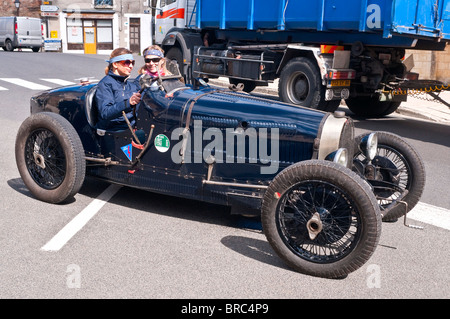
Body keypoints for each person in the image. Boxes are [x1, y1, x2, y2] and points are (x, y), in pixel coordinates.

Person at [95, 48, 141, 131]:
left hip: (132, 126)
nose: (131, 66)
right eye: (127, 62)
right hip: (114, 129)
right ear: (115, 64)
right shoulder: (105, 84)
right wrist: (128, 103)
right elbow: (105, 112)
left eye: (132, 63)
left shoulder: (131, 85)